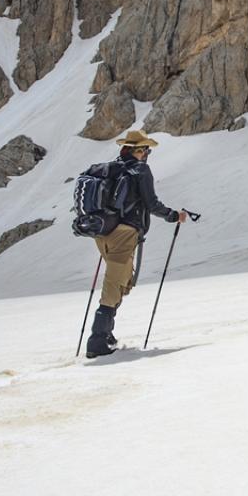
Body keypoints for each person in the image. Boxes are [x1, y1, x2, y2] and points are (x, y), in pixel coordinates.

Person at [86, 130, 188, 358]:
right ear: (138, 150)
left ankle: (107, 335)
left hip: (102, 232)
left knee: (119, 281)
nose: (147, 154)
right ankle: (97, 342)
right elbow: (151, 203)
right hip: (124, 234)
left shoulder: (112, 168)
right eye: (146, 149)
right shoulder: (139, 169)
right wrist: (173, 216)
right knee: (115, 285)